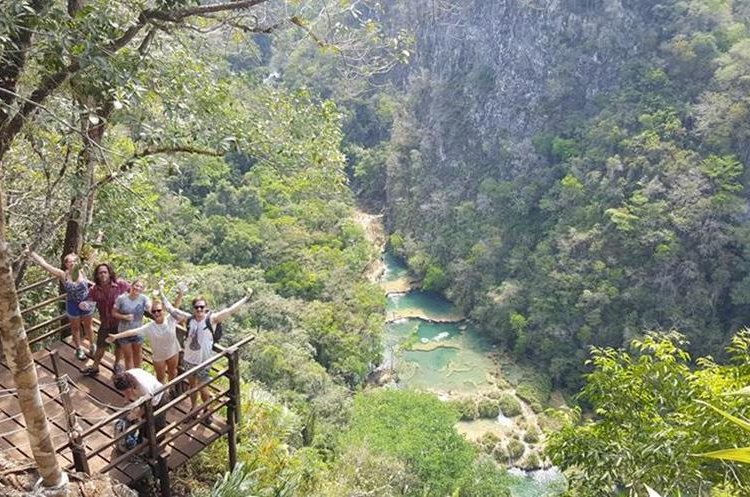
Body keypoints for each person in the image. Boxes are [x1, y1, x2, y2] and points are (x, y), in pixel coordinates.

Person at [161, 288, 252, 422]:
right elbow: (171, 309)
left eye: (202, 307)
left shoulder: (212, 319)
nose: (199, 310)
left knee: (203, 387)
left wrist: (246, 297)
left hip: (203, 362)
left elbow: (231, 310)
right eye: (197, 307)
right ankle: (193, 408)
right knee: (192, 387)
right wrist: (161, 291)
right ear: (193, 308)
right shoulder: (189, 319)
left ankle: (207, 410)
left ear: (206, 308)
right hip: (188, 359)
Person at [25, 250, 94, 360]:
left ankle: (92, 346)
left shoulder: (82, 271)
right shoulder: (63, 274)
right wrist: (32, 253)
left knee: (88, 325)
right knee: (75, 327)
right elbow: (45, 265)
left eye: (74, 261)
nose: (72, 264)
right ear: (66, 264)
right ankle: (78, 349)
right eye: (69, 262)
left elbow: (93, 284)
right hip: (72, 304)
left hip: (86, 302)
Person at [106, 296, 183, 384]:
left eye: (159, 310)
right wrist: (116, 336)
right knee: (160, 378)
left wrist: (180, 294)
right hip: (159, 356)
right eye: (154, 311)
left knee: (172, 373)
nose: (156, 313)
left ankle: (172, 390)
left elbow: (175, 308)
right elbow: (132, 332)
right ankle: (162, 395)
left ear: (164, 310)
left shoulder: (170, 319)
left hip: (173, 352)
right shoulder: (149, 327)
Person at [82, 263, 130, 376]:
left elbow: (133, 292)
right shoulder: (94, 289)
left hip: (120, 322)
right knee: (101, 345)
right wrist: (84, 305)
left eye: (105, 272)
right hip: (105, 323)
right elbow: (90, 302)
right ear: (97, 276)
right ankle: (94, 367)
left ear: (109, 273)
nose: (103, 274)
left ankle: (117, 365)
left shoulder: (120, 284)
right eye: (100, 273)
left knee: (119, 346)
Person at [113, 369, 169, 441]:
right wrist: (126, 402)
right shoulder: (127, 376)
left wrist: (137, 414)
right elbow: (126, 390)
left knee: (157, 422)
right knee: (144, 422)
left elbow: (150, 403)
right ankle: (144, 437)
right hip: (145, 399)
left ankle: (159, 440)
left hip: (159, 398)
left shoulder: (144, 387)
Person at [113, 279, 151, 370]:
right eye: (136, 285)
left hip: (138, 332)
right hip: (123, 331)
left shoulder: (143, 298)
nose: (138, 288)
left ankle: (139, 375)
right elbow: (114, 313)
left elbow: (149, 306)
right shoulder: (121, 298)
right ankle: (130, 377)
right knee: (128, 356)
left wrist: (150, 307)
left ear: (142, 290)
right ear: (131, 285)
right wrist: (124, 317)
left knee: (138, 354)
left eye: (140, 287)